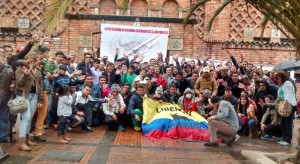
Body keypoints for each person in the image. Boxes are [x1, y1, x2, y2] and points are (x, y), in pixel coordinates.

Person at [15, 59, 43, 151]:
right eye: (34, 59)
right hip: (23, 96)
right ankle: (21, 143)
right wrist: (26, 75)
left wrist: (40, 99)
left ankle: (27, 139)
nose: (37, 61)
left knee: (29, 118)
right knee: (26, 118)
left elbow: (40, 85)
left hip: (34, 96)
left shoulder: (38, 70)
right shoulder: (20, 69)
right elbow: (18, 83)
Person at [276, 70, 297, 146]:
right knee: (283, 123)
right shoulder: (282, 84)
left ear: (282, 77)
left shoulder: (287, 83)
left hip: (289, 105)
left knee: (287, 123)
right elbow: (280, 95)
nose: (277, 80)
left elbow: (287, 96)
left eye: (278, 78)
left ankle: (288, 140)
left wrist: (283, 105)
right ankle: (284, 138)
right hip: (283, 105)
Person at [0, 49, 14, 143]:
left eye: (3, 53)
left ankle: (3, 136)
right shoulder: (3, 66)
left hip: (6, 95)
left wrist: (13, 84)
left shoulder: (9, 66)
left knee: (4, 117)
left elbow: (13, 78)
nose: (2, 55)